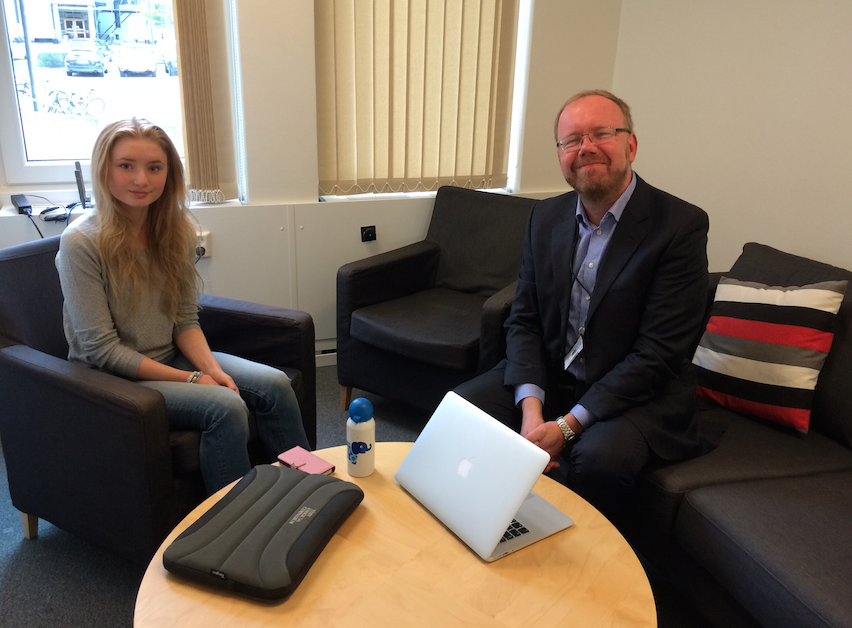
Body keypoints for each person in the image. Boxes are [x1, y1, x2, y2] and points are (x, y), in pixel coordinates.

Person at [455, 90, 715, 518]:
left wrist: (566, 426)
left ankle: (584, 553)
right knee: (461, 413)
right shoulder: (544, 217)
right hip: (556, 377)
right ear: (561, 155)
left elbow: (659, 354)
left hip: (638, 393)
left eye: (601, 134)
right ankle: (488, 525)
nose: (586, 148)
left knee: (598, 459)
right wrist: (531, 412)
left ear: (630, 145)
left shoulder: (679, 226)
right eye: (572, 140)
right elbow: (524, 320)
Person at [56, 117, 310, 495]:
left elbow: (184, 319)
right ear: (104, 169)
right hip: (111, 378)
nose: (141, 179)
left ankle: (309, 490)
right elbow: (101, 350)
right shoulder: (80, 242)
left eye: (154, 168)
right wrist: (193, 379)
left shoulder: (177, 231)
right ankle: (235, 521)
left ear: (168, 174)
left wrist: (211, 369)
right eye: (126, 165)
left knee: (275, 384)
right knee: (225, 406)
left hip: (171, 357)